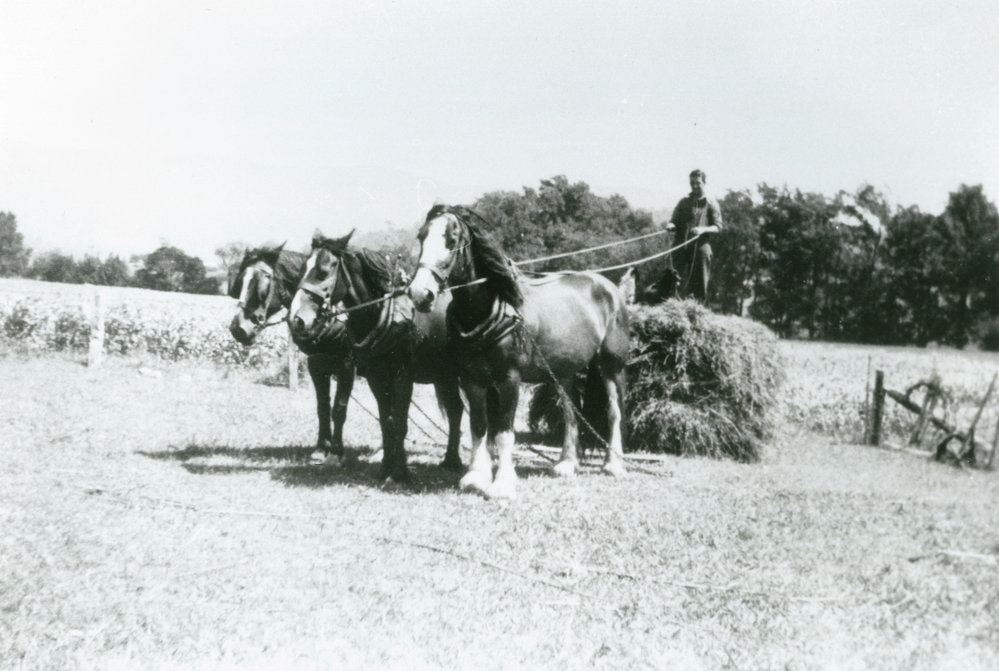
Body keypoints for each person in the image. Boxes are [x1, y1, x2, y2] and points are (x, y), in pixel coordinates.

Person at [667, 169, 723, 302]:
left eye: (698, 182)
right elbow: (673, 220)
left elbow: (718, 227)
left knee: (701, 275)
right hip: (681, 244)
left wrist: (703, 229)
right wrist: (671, 225)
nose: (695, 185)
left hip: (700, 245)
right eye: (692, 183)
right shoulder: (684, 202)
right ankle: (674, 304)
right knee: (674, 276)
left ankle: (696, 306)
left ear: (704, 182)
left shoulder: (711, 203)